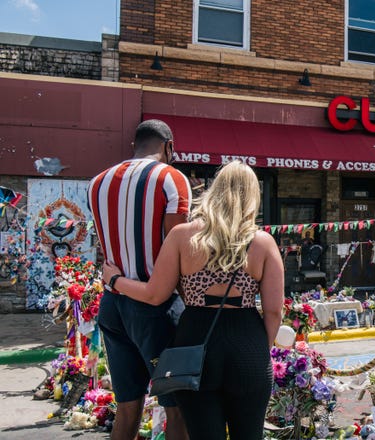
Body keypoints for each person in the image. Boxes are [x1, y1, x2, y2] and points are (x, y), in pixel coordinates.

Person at [102, 161, 284, 440]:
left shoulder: (182, 236)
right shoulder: (262, 243)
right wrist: (259, 349)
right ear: (252, 197)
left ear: (214, 191)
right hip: (247, 344)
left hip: (194, 342)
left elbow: (154, 294)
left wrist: (115, 280)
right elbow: (273, 312)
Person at [88, 119, 191, 440]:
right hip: (157, 311)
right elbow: (179, 251)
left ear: (135, 145)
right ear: (169, 147)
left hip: (113, 306)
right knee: (179, 409)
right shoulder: (172, 180)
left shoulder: (98, 182)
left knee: (128, 407)